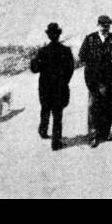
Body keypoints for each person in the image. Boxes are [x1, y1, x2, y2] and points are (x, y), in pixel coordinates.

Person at [79, 15, 112, 148]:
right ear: (98, 26)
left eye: (108, 26)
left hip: (109, 78)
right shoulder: (90, 38)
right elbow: (82, 55)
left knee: (108, 106)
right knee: (93, 107)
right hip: (93, 79)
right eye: (103, 26)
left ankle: (105, 133)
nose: (106, 29)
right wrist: (94, 62)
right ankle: (93, 136)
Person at [29, 22, 74, 151]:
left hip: (45, 87)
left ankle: (43, 130)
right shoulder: (66, 50)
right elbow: (70, 70)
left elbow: (34, 69)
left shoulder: (42, 51)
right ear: (59, 35)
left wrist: (33, 58)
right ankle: (56, 142)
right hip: (60, 87)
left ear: (48, 36)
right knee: (57, 115)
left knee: (45, 109)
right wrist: (64, 82)